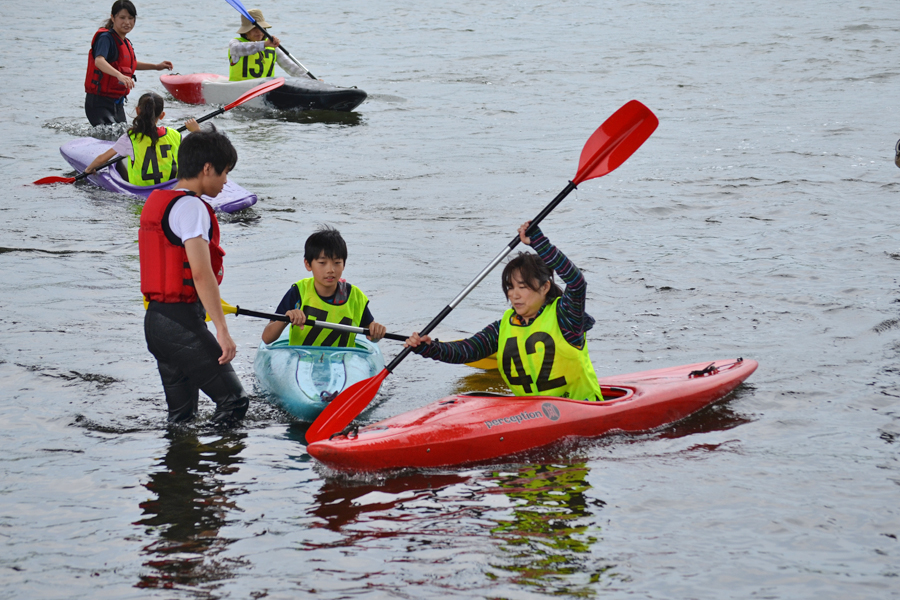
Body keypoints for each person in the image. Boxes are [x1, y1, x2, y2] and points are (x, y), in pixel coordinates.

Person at [405, 222, 605, 401]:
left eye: (523, 287)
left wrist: (540, 243)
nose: (514, 295)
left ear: (545, 287)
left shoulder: (566, 318)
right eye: (510, 287)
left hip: (582, 408)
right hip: (532, 415)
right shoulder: (503, 328)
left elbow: (576, 282)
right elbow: (466, 351)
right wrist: (429, 348)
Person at [139, 128, 250, 426]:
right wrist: (222, 331)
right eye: (225, 172)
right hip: (180, 325)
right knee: (234, 402)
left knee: (183, 419)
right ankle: (221, 469)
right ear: (206, 168)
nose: (226, 181)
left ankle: (181, 470)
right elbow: (201, 274)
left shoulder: (159, 200)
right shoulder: (192, 207)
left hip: (157, 323)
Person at [261, 226, 387, 346]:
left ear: (344, 264)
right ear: (308, 264)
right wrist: (286, 318)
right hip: (302, 363)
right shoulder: (298, 292)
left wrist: (376, 332)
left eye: (337, 262)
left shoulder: (354, 297)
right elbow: (267, 338)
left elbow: (371, 336)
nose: (330, 270)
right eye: (322, 263)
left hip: (340, 365)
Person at [85, 1, 174, 126]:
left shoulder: (124, 41)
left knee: (122, 137)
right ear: (113, 17)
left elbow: (130, 65)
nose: (127, 22)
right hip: (99, 102)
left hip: (117, 103)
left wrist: (156, 67)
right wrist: (119, 75)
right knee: (109, 138)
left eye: (131, 18)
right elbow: (99, 61)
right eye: (122, 17)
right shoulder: (105, 38)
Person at [85, 92, 200, 185]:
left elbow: (101, 159)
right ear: (162, 115)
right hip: (171, 189)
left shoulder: (130, 138)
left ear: (137, 110)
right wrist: (196, 131)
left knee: (122, 163)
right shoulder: (175, 135)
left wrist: (89, 169)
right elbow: (203, 148)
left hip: (139, 195)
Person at [227, 8, 309, 81]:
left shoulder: (271, 46)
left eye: (261, 28)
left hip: (263, 89)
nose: (259, 32)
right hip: (240, 89)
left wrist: (310, 80)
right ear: (245, 32)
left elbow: (291, 67)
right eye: (254, 28)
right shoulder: (235, 43)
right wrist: (264, 44)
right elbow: (238, 49)